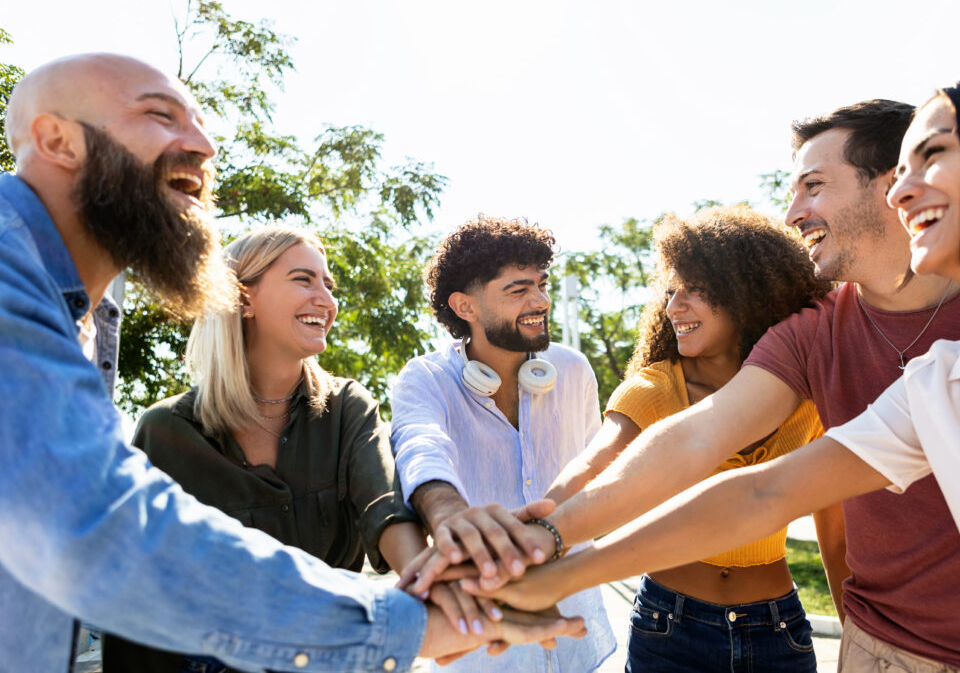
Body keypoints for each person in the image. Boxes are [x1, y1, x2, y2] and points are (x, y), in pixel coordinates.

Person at [0, 53, 585, 673]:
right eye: (159, 115)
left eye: (200, 123)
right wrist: (415, 625)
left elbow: (382, 503)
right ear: (56, 140)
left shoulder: (78, 316)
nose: (202, 143)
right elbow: (109, 531)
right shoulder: (15, 286)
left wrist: (440, 587)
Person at [418, 99, 960, 670]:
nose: (792, 215)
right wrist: (541, 548)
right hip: (880, 647)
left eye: (814, 186)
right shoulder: (812, 336)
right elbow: (718, 461)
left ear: (899, 183)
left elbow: (789, 501)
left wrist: (541, 565)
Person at [102, 225, 427, 672]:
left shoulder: (348, 408)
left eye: (327, 285)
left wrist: (428, 583)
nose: (326, 300)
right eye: (304, 279)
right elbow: (136, 591)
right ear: (243, 297)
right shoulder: (165, 430)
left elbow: (385, 509)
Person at [543, 205, 830, 671]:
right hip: (671, 628)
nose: (673, 307)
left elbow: (835, 528)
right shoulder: (655, 387)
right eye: (671, 292)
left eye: (695, 290)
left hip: (779, 630)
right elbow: (593, 466)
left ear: (747, 294)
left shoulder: (807, 396)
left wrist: (856, 630)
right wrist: (533, 532)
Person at [390, 216, 616, 671]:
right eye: (518, 290)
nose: (541, 301)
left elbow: (599, 471)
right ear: (465, 306)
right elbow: (420, 445)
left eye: (542, 284)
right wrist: (447, 510)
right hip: (483, 653)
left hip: (579, 635)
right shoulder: (426, 378)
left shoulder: (573, 370)